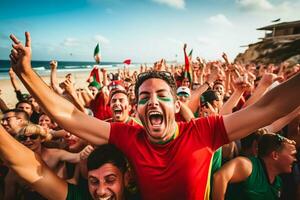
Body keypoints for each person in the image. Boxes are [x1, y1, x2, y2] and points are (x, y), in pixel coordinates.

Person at [8, 32, 300, 200]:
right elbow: (69, 115)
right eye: (144, 97)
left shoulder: (204, 130)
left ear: (175, 105)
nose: (152, 102)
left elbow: (267, 108)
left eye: (162, 96)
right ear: (137, 109)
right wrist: (26, 74)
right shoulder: (128, 136)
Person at [0, 124, 131, 200]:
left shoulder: (144, 195)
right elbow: (25, 164)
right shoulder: (80, 197)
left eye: (110, 180)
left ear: (126, 178)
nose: (101, 191)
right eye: (94, 181)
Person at [212, 133, 297, 200]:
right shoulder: (247, 166)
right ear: (275, 155)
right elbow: (219, 177)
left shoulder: (278, 183)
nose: (295, 159)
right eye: (292, 155)